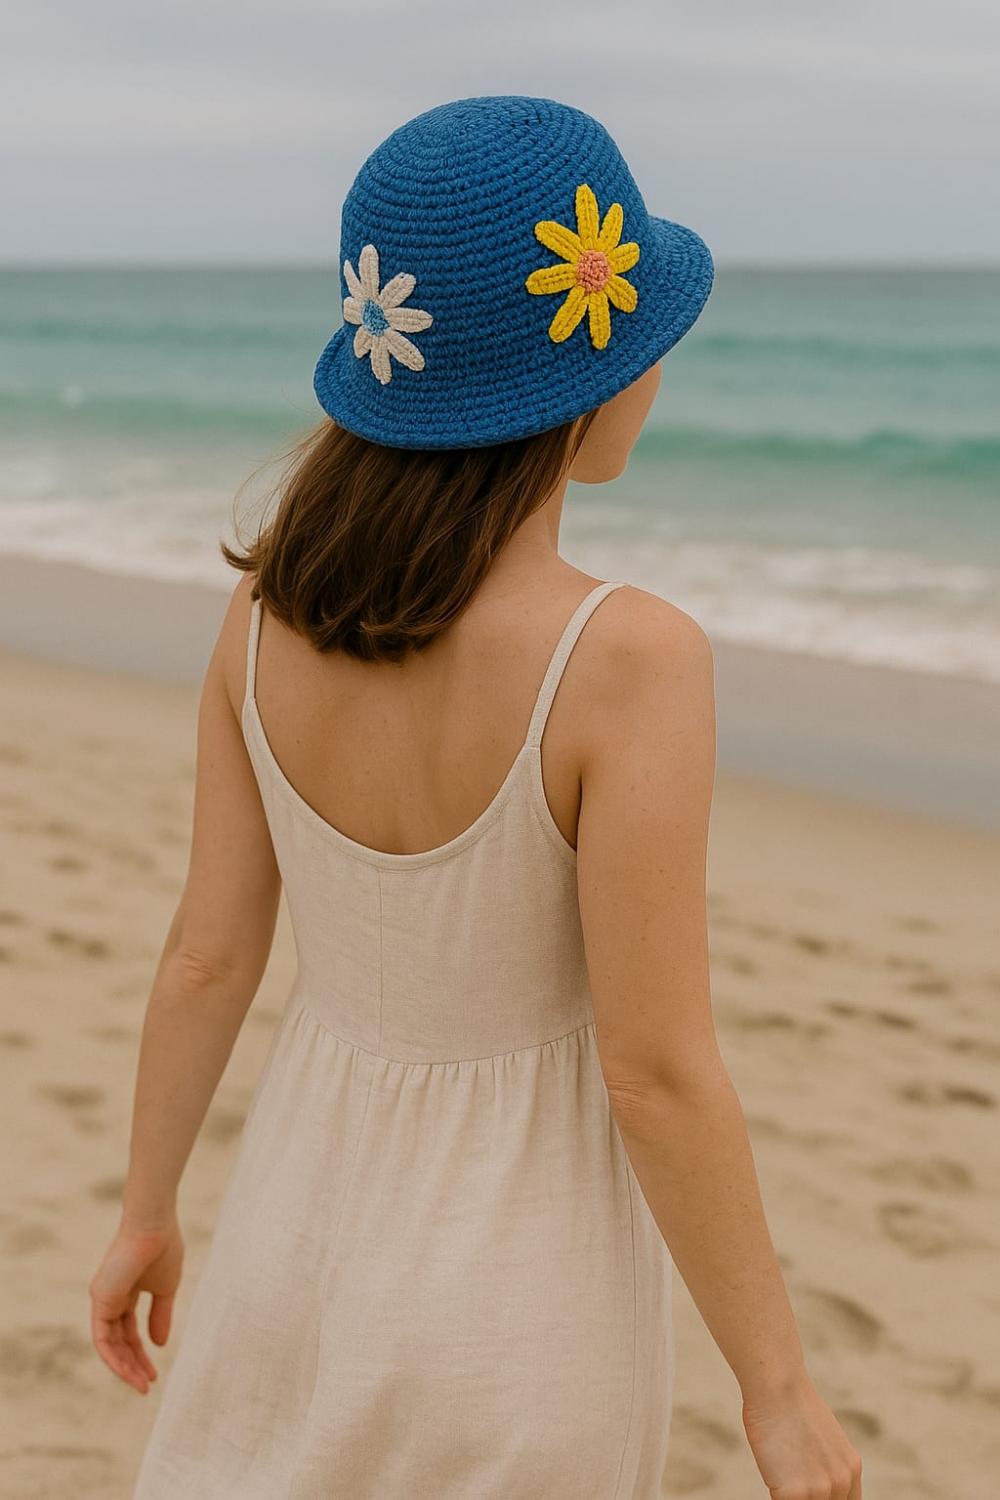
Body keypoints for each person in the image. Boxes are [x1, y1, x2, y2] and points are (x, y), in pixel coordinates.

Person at [90, 95, 863, 1499]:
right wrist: (777, 1388)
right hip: (527, 1302)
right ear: (583, 371)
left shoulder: (261, 621)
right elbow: (656, 1071)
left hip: (291, 1253)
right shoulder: (628, 659)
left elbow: (206, 956)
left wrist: (147, 1209)